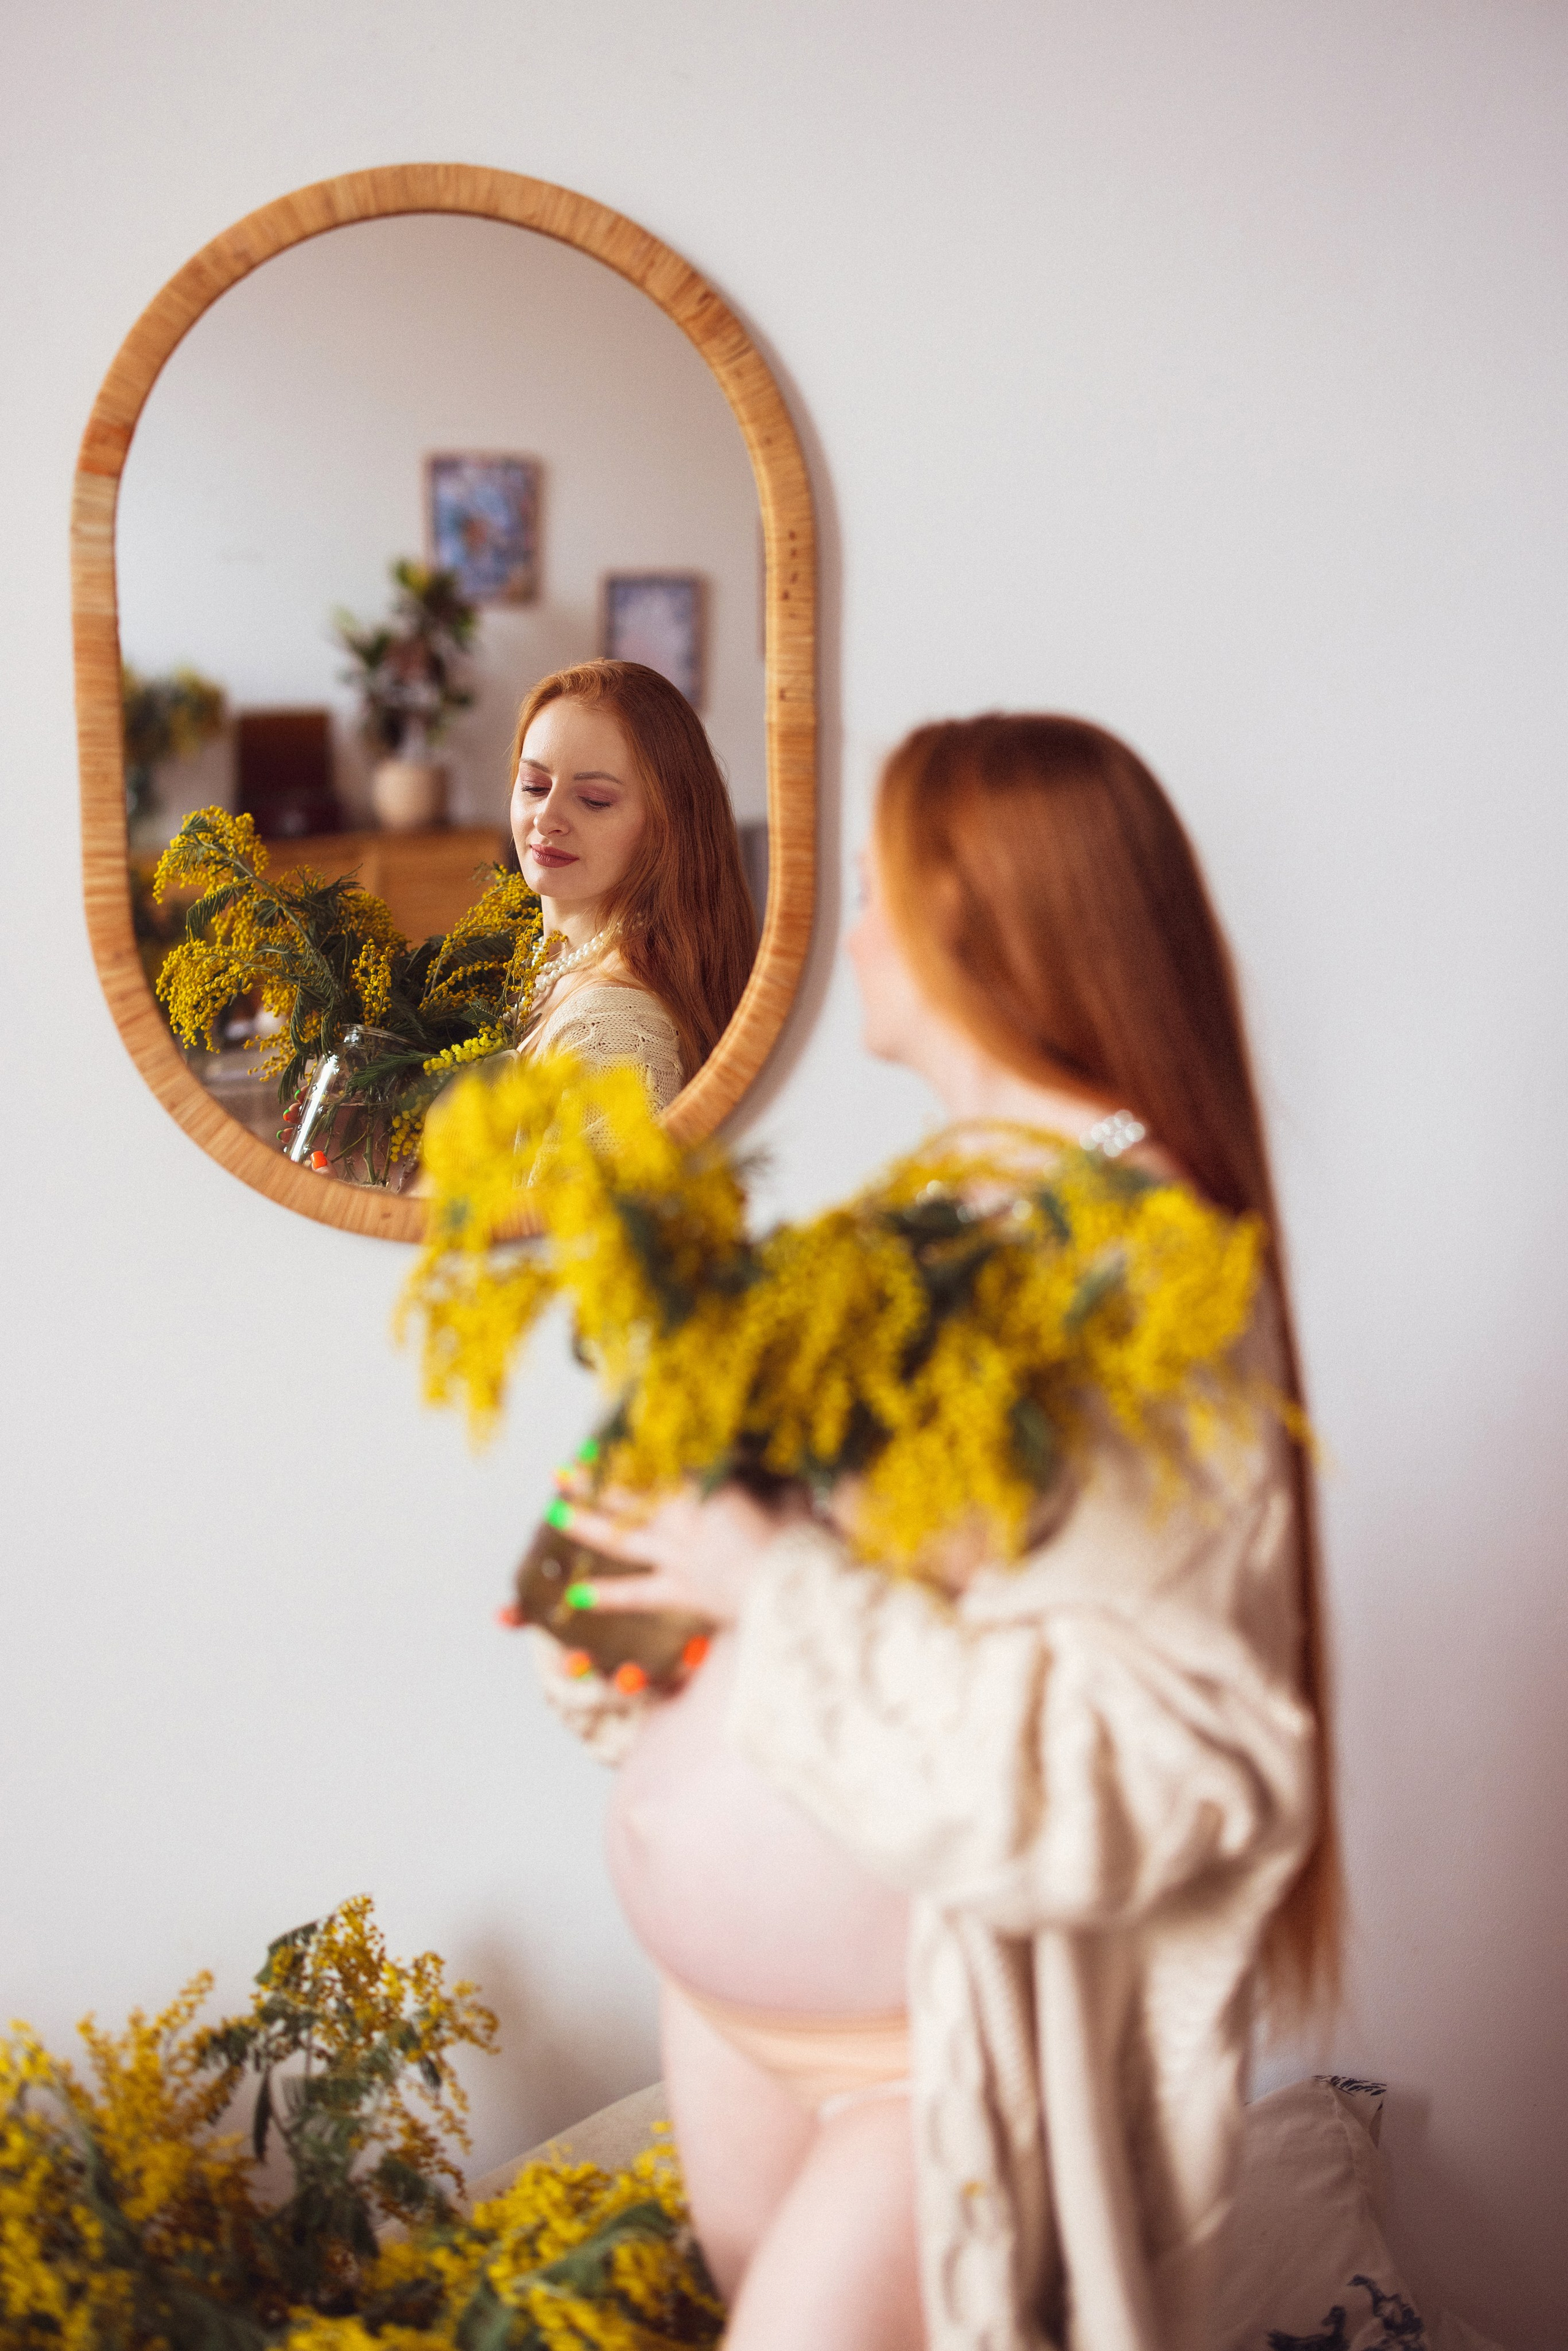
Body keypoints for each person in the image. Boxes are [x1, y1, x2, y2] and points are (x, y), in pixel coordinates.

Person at [538, 714, 1338, 2351]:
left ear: (988, 919)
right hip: (744, 2020)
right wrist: (627, 1587)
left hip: (931, 2052)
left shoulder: (1145, 1272)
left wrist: (763, 1573)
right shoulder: (929, 1218)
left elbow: (1166, 1752)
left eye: (877, 891)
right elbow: (769, 1558)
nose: (850, 934)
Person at [508, 659, 757, 1106]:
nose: (547, 819)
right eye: (534, 786)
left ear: (666, 823)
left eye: (594, 800)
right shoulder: (546, 969)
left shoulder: (613, 1026)